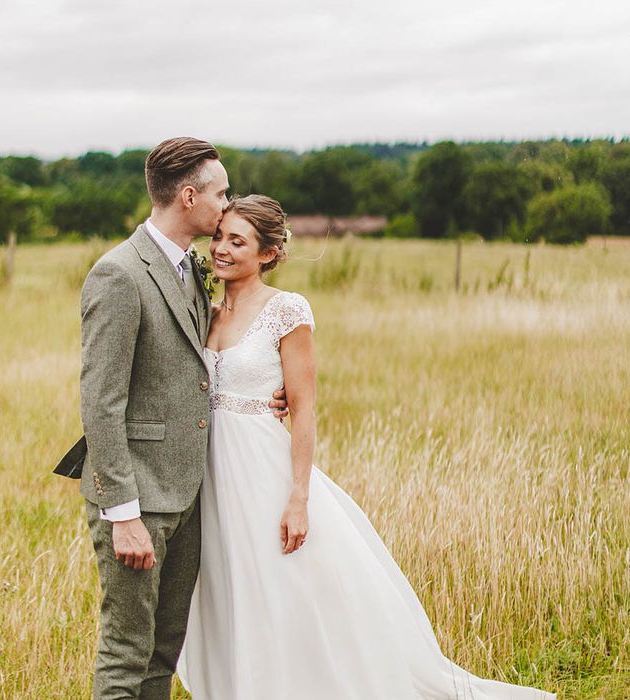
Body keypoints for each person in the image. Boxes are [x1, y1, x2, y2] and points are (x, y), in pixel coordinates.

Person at [177, 194, 555, 700]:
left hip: (261, 472)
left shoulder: (286, 310)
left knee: (283, 590)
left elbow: (305, 408)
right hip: (209, 476)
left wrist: (298, 496)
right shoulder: (202, 307)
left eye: (237, 241)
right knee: (228, 590)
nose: (220, 248)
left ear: (268, 253)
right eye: (219, 236)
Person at [53, 138, 287, 700]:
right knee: (126, 650)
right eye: (221, 192)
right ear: (188, 196)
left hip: (188, 495)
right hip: (139, 500)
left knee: (164, 649)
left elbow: (198, 363)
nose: (226, 203)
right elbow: (101, 401)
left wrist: (261, 394)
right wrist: (123, 513)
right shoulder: (118, 274)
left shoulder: (189, 269)